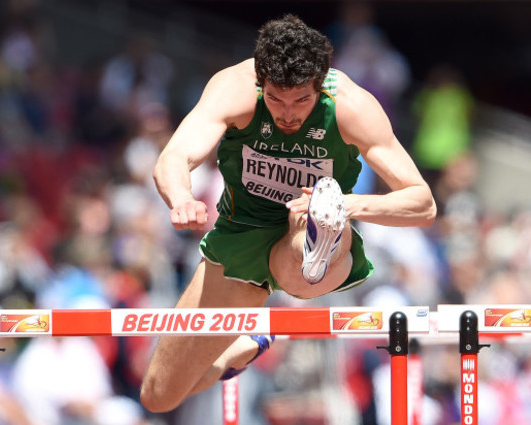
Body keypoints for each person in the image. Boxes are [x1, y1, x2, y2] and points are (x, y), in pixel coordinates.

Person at [140, 14, 436, 413]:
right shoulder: (235, 88)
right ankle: (243, 347)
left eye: (302, 100)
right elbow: (175, 156)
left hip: (316, 230)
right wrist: (181, 197)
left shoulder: (351, 105)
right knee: (159, 396)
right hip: (243, 231)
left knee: (309, 235)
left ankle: (321, 233)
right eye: (277, 100)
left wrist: (349, 205)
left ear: (320, 84)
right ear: (261, 82)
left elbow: (423, 202)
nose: (289, 114)